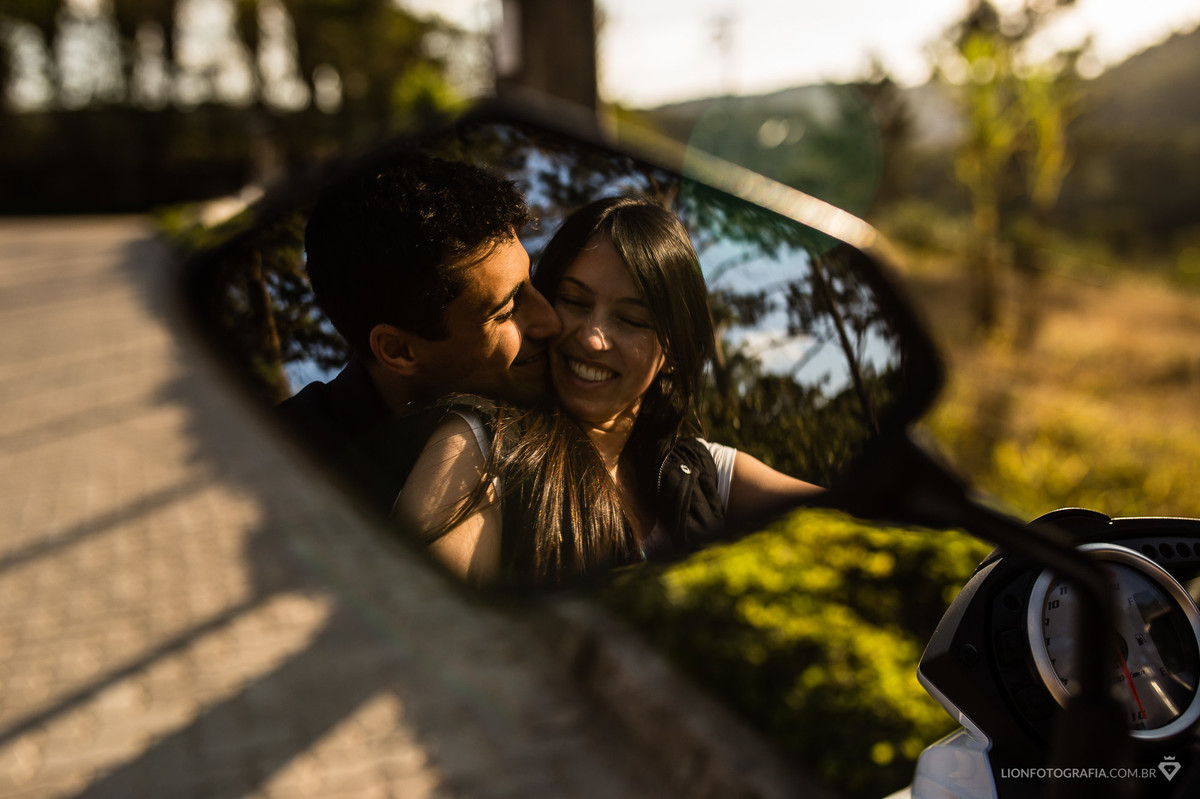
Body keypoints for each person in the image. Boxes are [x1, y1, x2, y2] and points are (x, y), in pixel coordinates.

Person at [396, 196, 821, 588]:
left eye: (631, 320)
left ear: (673, 351)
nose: (592, 338)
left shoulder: (702, 471)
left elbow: (851, 512)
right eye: (575, 301)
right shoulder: (483, 445)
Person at [277, 151, 562, 514]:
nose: (551, 322)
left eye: (530, 281)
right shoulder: (283, 471)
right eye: (506, 311)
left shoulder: (565, 397)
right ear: (399, 351)